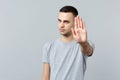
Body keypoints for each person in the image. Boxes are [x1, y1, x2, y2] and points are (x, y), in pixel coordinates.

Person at [41, 5, 94, 80]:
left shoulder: (83, 44)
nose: (61, 25)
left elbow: (88, 51)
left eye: (66, 22)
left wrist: (83, 43)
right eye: (59, 21)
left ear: (74, 23)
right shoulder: (49, 46)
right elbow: (45, 77)